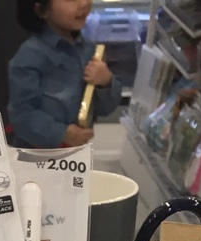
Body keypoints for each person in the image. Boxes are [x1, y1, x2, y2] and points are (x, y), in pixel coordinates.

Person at [7, 0, 119, 149]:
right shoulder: (30, 55)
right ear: (42, 10)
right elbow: (21, 115)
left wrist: (106, 82)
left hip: (77, 151)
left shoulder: (90, 49)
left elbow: (104, 108)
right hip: (36, 153)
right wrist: (61, 133)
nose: (83, 3)